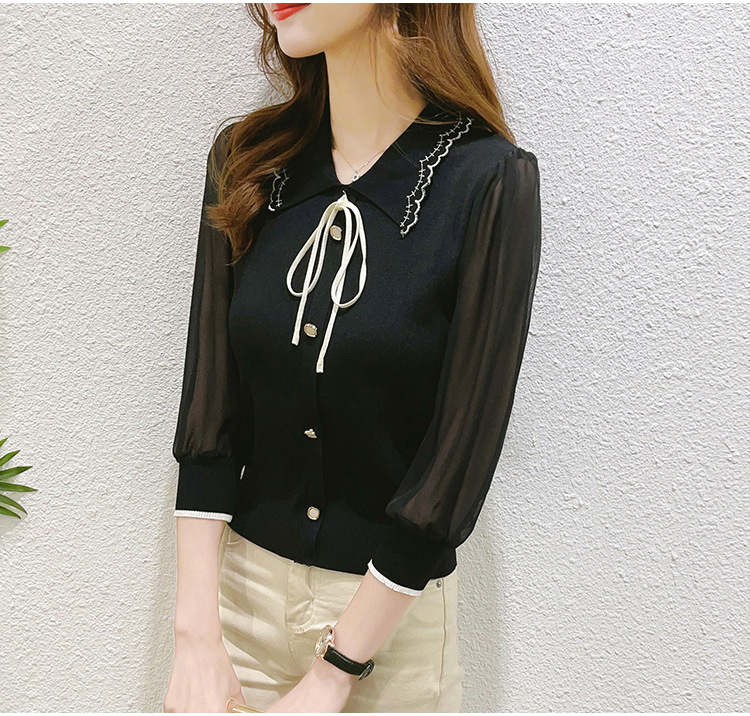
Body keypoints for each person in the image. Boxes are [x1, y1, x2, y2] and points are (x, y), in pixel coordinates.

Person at [163, 3, 542, 713]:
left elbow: (458, 461)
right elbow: (209, 410)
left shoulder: (488, 181)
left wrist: (335, 672)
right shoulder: (248, 160)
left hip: (389, 640)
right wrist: (195, 634)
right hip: (234, 616)